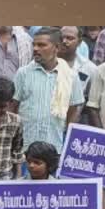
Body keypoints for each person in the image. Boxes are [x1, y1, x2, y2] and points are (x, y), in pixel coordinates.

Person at [13, 27, 85, 155]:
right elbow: (13, 106)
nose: (35, 49)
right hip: (24, 145)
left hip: (55, 145)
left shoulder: (71, 76)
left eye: (41, 45)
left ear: (56, 47)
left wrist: (68, 138)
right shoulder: (23, 73)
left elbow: (74, 109)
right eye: (34, 45)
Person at [59, 26, 98, 97]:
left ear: (79, 42)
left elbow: (92, 100)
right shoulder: (46, 63)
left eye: (70, 38)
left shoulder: (90, 68)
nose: (64, 41)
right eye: (61, 38)